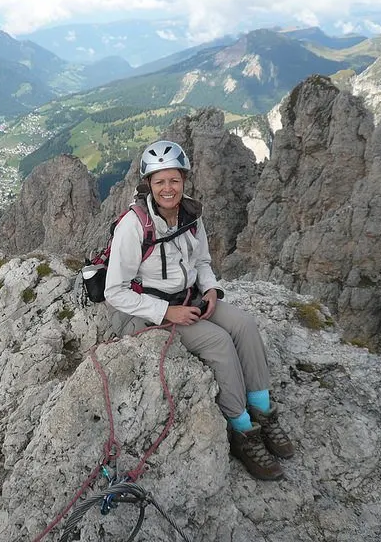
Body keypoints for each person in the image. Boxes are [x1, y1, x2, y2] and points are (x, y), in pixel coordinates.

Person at [104, 140, 294, 480]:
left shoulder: (191, 215)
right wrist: (166, 312)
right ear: (148, 184)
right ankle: (241, 428)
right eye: (159, 181)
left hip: (191, 297)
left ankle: (263, 411)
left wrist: (210, 289)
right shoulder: (133, 226)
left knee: (245, 325)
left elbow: (202, 260)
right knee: (219, 342)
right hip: (153, 312)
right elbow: (114, 290)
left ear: (184, 181)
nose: (167, 188)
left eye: (174, 180)